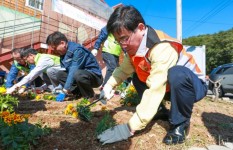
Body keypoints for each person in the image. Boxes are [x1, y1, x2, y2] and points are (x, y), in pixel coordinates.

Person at [97, 6, 208, 145]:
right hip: (169, 87)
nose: (123, 45)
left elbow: (155, 88)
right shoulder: (134, 50)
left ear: (141, 28)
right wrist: (108, 85)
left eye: (125, 38)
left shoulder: (162, 47)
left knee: (177, 74)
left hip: (192, 87)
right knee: (138, 75)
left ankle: (180, 125)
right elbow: (123, 70)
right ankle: (159, 111)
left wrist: (129, 128)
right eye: (119, 41)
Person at [46, 31, 103, 101]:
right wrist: (60, 87)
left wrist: (65, 90)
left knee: (77, 74)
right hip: (80, 76)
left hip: (95, 77)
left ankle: (90, 95)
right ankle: (79, 93)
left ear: (62, 43)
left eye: (55, 48)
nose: (55, 51)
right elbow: (68, 72)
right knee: (60, 74)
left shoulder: (77, 50)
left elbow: (73, 70)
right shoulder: (63, 54)